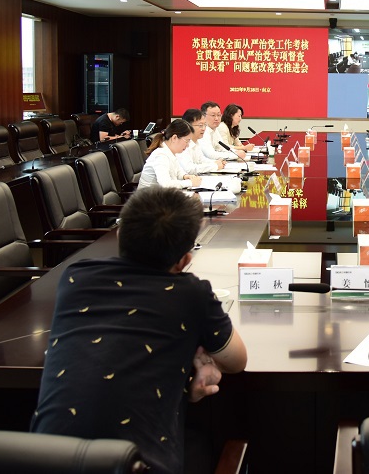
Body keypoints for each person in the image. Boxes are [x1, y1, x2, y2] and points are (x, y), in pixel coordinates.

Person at [31, 187, 248, 473]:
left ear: (120, 234)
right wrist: (194, 358)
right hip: (140, 465)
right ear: (185, 261)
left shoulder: (75, 277)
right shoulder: (191, 294)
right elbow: (237, 360)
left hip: (45, 461)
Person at [137, 119, 204, 189]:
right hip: (149, 195)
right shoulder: (160, 155)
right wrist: (190, 183)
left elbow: (177, 171)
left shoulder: (171, 152)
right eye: (187, 141)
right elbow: (165, 184)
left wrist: (185, 176)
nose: (188, 145)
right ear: (174, 138)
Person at [178, 108, 226, 175]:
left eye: (205, 125)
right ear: (188, 126)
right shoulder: (182, 144)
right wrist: (214, 166)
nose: (203, 129)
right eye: (200, 125)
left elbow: (201, 160)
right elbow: (189, 169)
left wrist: (216, 162)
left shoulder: (196, 142)